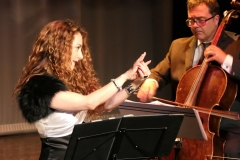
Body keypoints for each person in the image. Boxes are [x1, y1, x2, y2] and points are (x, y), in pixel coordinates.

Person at [13, 19, 151, 160]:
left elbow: (106, 105)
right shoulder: (39, 86)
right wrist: (124, 76)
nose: (81, 56)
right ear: (59, 47)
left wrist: (134, 84)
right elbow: (89, 102)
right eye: (77, 48)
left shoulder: (67, 79)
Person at [137, 0, 240, 159]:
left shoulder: (237, 44)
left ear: (216, 19)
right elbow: (158, 73)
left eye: (201, 20)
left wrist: (225, 59)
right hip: (184, 126)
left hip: (225, 128)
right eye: (191, 20)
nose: (195, 25)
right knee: (151, 147)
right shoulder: (178, 46)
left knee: (229, 151)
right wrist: (150, 82)